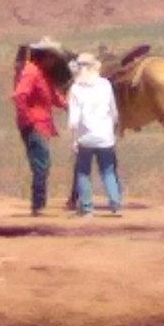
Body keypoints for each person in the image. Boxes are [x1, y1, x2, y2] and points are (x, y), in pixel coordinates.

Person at [12, 37, 68, 216]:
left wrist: (72, 106)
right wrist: (27, 120)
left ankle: (39, 205)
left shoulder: (42, 74)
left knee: (42, 164)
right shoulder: (32, 71)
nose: (54, 62)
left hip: (42, 125)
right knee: (41, 164)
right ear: (46, 56)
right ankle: (38, 206)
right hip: (34, 126)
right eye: (53, 58)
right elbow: (20, 95)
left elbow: (55, 97)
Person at [68, 52, 122, 217]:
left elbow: (74, 119)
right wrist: (113, 129)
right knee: (108, 170)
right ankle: (114, 203)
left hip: (85, 138)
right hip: (105, 137)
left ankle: (86, 208)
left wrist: (73, 139)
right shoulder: (105, 84)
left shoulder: (76, 89)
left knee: (83, 172)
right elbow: (113, 112)